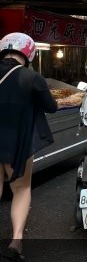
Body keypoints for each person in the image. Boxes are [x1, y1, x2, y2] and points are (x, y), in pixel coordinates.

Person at [0, 33, 57, 260]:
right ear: (29, 52)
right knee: (21, 190)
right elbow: (51, 107)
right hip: (18, 142)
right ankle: (16, 242)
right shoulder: (32, 78)